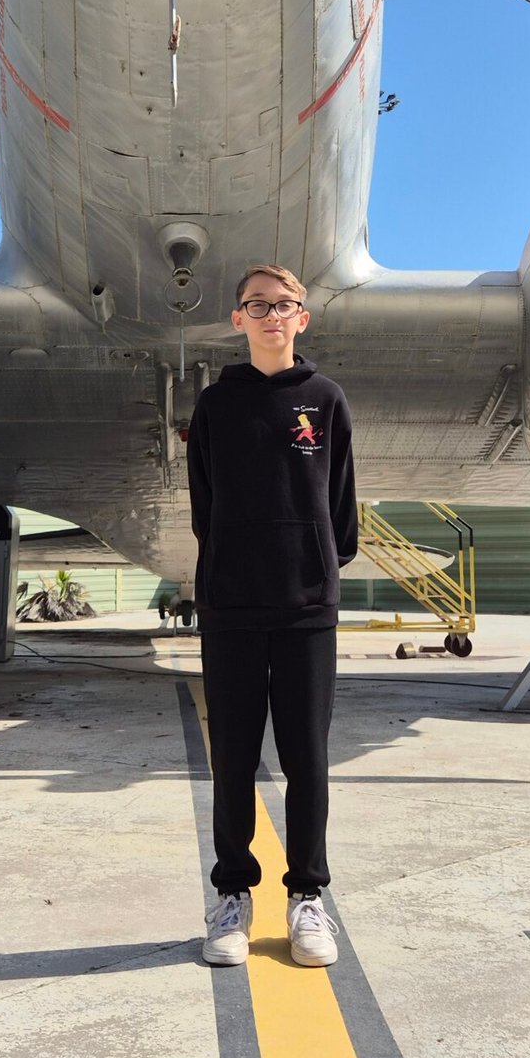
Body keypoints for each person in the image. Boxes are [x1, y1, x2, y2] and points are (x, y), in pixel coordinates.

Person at [186, 262, 358, 969]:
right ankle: (232, 897)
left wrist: (313, 563)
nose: (269, 315)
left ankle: (308, 897)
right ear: (238, 319)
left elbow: (342, 510)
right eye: (256, 305)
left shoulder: (325, 400)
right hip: (231, 607)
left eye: (282, 304)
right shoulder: (214, 408)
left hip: (305, 608)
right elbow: (205, 506)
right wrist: (230, 561)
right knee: (231, 758)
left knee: (306, 759)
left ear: (302, 317)